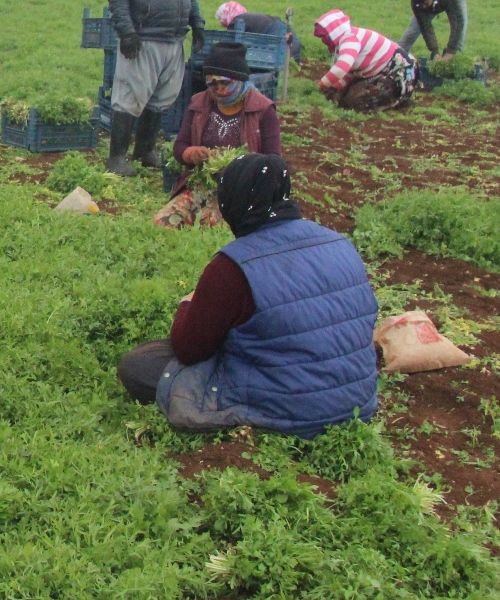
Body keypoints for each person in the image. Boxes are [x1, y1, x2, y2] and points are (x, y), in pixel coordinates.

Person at [117, 155, 379, 438]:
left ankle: (261, 418)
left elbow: (189, 349)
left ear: (234, 200)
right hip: (356, 403)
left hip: (293, 407)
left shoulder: (232, 267)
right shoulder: (339, 242)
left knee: (140, 365)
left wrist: (187, 304)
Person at [104, 0, 205, 176]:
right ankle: (116, 157)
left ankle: (145, 149)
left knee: (162, 97)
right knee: (130, 96)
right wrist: (127, 32)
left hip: (173, 38)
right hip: (144, 37)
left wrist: (197, 23)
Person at [153, 43, 282, 229]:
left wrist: (241, 165)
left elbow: (273, 160)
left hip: (241, 190)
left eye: (225, 83)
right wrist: (191, 153)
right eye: (213, 84)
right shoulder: (199, 103)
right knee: (164, 222)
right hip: (202, 184)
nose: (219, 90)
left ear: (240, 80)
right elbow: (180, 145)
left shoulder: (263, 109)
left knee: (212, 224)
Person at [313, 9, 417, 112]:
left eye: (324, 36)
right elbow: (350, 72)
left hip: (396, 72)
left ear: (332, 33)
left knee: (354, 101)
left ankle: (395, 100)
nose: (323, 41)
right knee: (342, 94)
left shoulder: (350, 40)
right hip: (383, 70)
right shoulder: (345, 40)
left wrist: (321, 85)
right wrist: (335, 87)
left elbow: (341, 69)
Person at [396, 0, 466, 60]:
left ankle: (454, 60)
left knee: (460, 34)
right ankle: (396, 56)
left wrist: (450, 51)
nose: (423, 7)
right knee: (412, 31)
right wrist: (435, 51)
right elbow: (425, 26)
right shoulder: (417, 2)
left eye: (425, 4)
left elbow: (458, 22)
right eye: (420, 5)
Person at [213, 0, 302, 62]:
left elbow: (230, 46)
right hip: (285, 33)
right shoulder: (249, 19)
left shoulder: (237, 21)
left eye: (222, 20)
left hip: (277, 35)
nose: (222, 24)